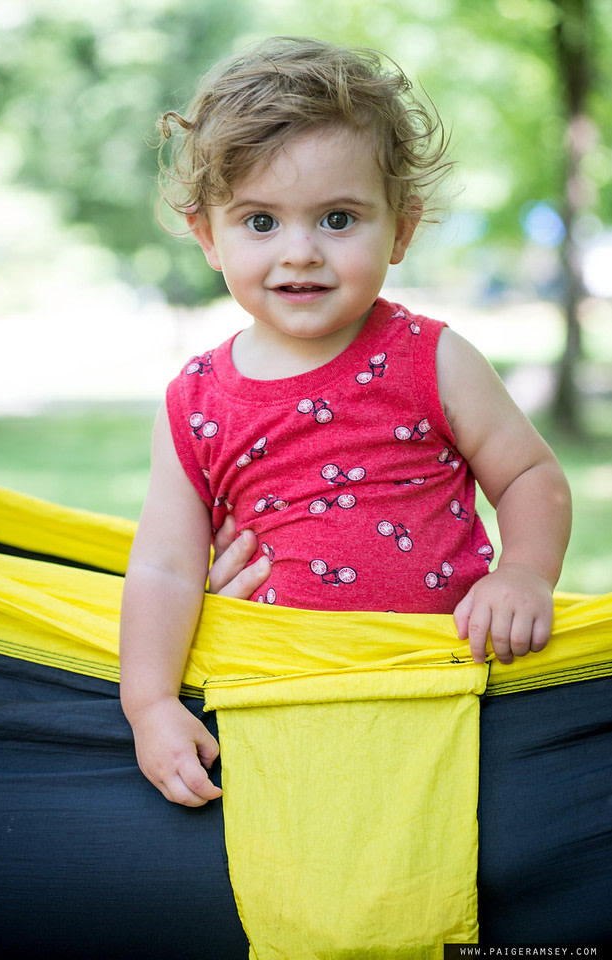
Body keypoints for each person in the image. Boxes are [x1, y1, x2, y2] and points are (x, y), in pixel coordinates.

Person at [119, 36, 572, 808]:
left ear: (398, 229)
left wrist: (522, 573)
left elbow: (530, 475)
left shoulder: (431, 358)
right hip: (285, 698)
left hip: (453, 687)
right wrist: (151, 702)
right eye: (259, 222)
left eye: (337, 218)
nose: (299, 254)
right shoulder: (194, 401)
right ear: (207, 236)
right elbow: (162, 566)